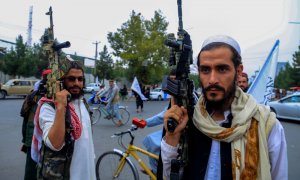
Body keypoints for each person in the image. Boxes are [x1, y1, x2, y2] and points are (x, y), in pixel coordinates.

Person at [160, 35, 287, 180]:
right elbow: (169, 175)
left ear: (238, 71)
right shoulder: (187, 120)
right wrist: (172, 138)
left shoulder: (266, 124)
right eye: (205, 70)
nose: (212, 79)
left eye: (222, 69)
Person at [31, 60, 96, 180]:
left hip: (86, 171)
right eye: (71, 79)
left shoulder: (83, 102)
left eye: (80, 79)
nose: (76, 83)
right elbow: (55, 144)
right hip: (64, 174)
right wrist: (61, 106)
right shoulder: (49, 106)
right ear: (61, 81)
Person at [20, 69, 51, 180]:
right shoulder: (54, 96)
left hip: (33, 137)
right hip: (41, 139)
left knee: (31, 169)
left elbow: (24, 117)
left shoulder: (32, 95)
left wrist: (25, 140)